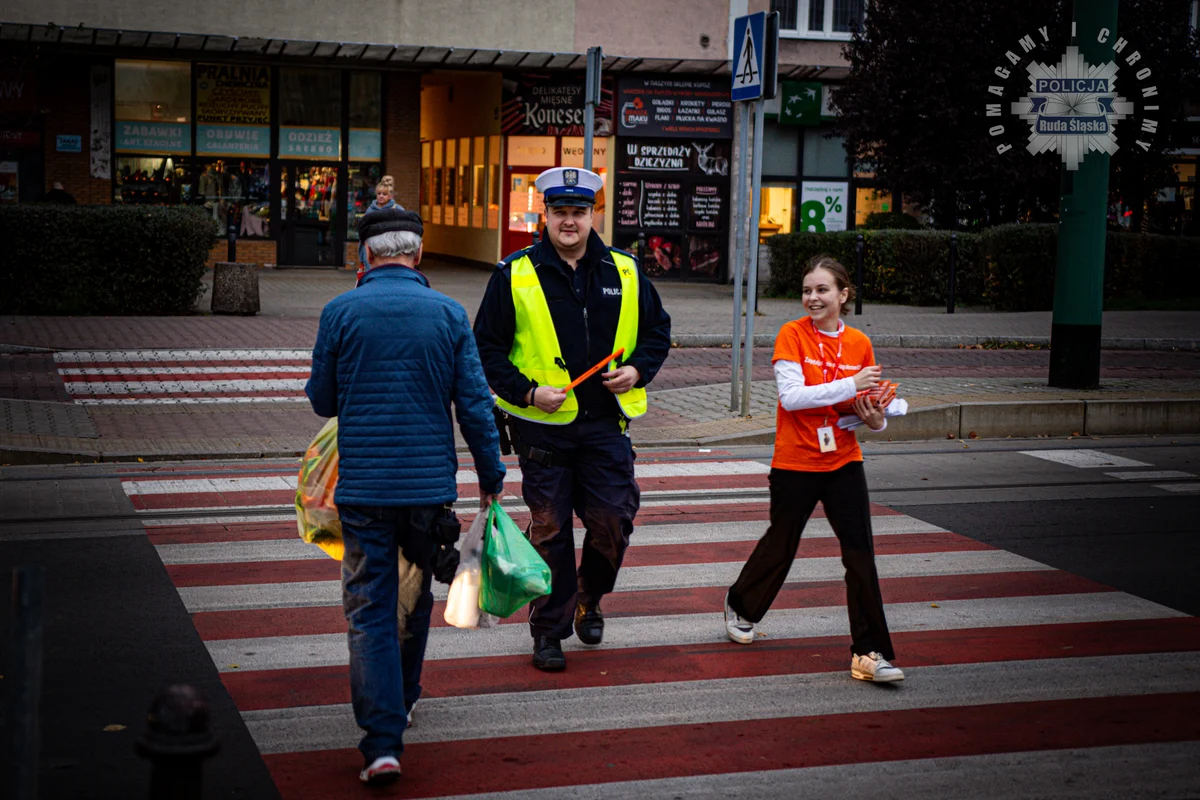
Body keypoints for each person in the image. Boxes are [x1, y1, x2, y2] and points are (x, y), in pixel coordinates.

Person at [305, 206, 505, 785]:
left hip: (364, 489)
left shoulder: (340, 311)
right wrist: (491, 477)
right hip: (427, 493)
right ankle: (408, 696)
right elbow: (474, 406)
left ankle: (382, 745)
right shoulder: (447, 313)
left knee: (370, 607)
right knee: (414, 600)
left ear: (365, 256)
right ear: (418, 256)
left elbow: (322, 399)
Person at [474, 166, 671, 672]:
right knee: (550, 529)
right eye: (560, 212)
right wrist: (527, 391)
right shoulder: (514, 272)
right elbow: (487, 348)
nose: (569, 221)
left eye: (578, 212)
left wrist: (637, 370)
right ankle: (549, 630)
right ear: (545, 214)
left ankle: (590, 596)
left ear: (592, 215)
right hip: (542, 429)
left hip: (606, 424)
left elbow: (657, 332)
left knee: (612, 522)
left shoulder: (625, 270)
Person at [722, 254, 904, 683]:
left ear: (844, 295)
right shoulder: (792, 335)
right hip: (795, 461)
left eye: (822, 290)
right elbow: (792, 397)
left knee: (860, 553)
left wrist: (876, 416)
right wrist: (850, 385)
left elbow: (866, 413)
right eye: (808, 290)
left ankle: (869, 652)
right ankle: (741, 604)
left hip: (844, 458)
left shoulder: (859, 343)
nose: (813, 297)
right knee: (782, 543)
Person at [356, 176, 401, 270]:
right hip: (371, 251)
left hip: (389, 252)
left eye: (384, 194)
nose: (381, 196)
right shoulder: (370, 210)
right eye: (379, 193)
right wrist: (362, 256)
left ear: (390, 196)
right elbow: (363, 234)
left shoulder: (397, 210)